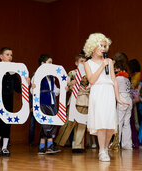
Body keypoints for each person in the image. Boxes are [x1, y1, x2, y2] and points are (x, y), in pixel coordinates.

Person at [83, 33, 126, 162]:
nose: (103, 48)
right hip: (98, 92)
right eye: (100, 46)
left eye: (104, 46)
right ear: (93, 46)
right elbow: (91, 80)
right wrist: (102, 66)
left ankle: (105, 148)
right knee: (101, 122)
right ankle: (102, 150)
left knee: (110, 124)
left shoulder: (109, 62)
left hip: (109, 92)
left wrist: (118, 98)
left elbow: (114, 80)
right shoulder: (88, 63)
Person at [0, 47, 23, 156]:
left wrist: (26, 83)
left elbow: (18, 89)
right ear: (1, 56)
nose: (10, 57)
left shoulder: (14, 71)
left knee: (8, 122)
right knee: (0, 122)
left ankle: (5, 147)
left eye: (11, 55)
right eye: (7, 54)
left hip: (9, 100)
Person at [55, 54, 90, 153]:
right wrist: (71, 84)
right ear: (76, 63)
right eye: (81, 61)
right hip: (75, 100)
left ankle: (77, 146)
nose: (83, 63)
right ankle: (59, 142)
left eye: (85, 61)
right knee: (69, 123)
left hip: (86, 100)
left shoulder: (89, 73)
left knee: (82, 124)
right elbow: (66, 86)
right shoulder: (72, 73)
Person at [31, 54, 61, 155]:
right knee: (45, 124)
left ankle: (46, 146)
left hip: (52, 101)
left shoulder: (51, 76)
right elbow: (32, 89)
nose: (51, 64)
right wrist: (33, 88)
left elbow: (55, 90)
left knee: (53, 122)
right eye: (49, 62)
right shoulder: (37, 75)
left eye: (52, 62)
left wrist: (64, 89)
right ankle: (45, 146)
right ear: (42, 63)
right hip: (43, 101)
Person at [113, 54, 133, 150]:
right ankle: (127, 144)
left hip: (122, 98)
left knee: (119, 122)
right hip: (129, 99)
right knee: (126, 123)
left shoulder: (118, 78)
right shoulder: (127, 78)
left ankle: (116, 143)